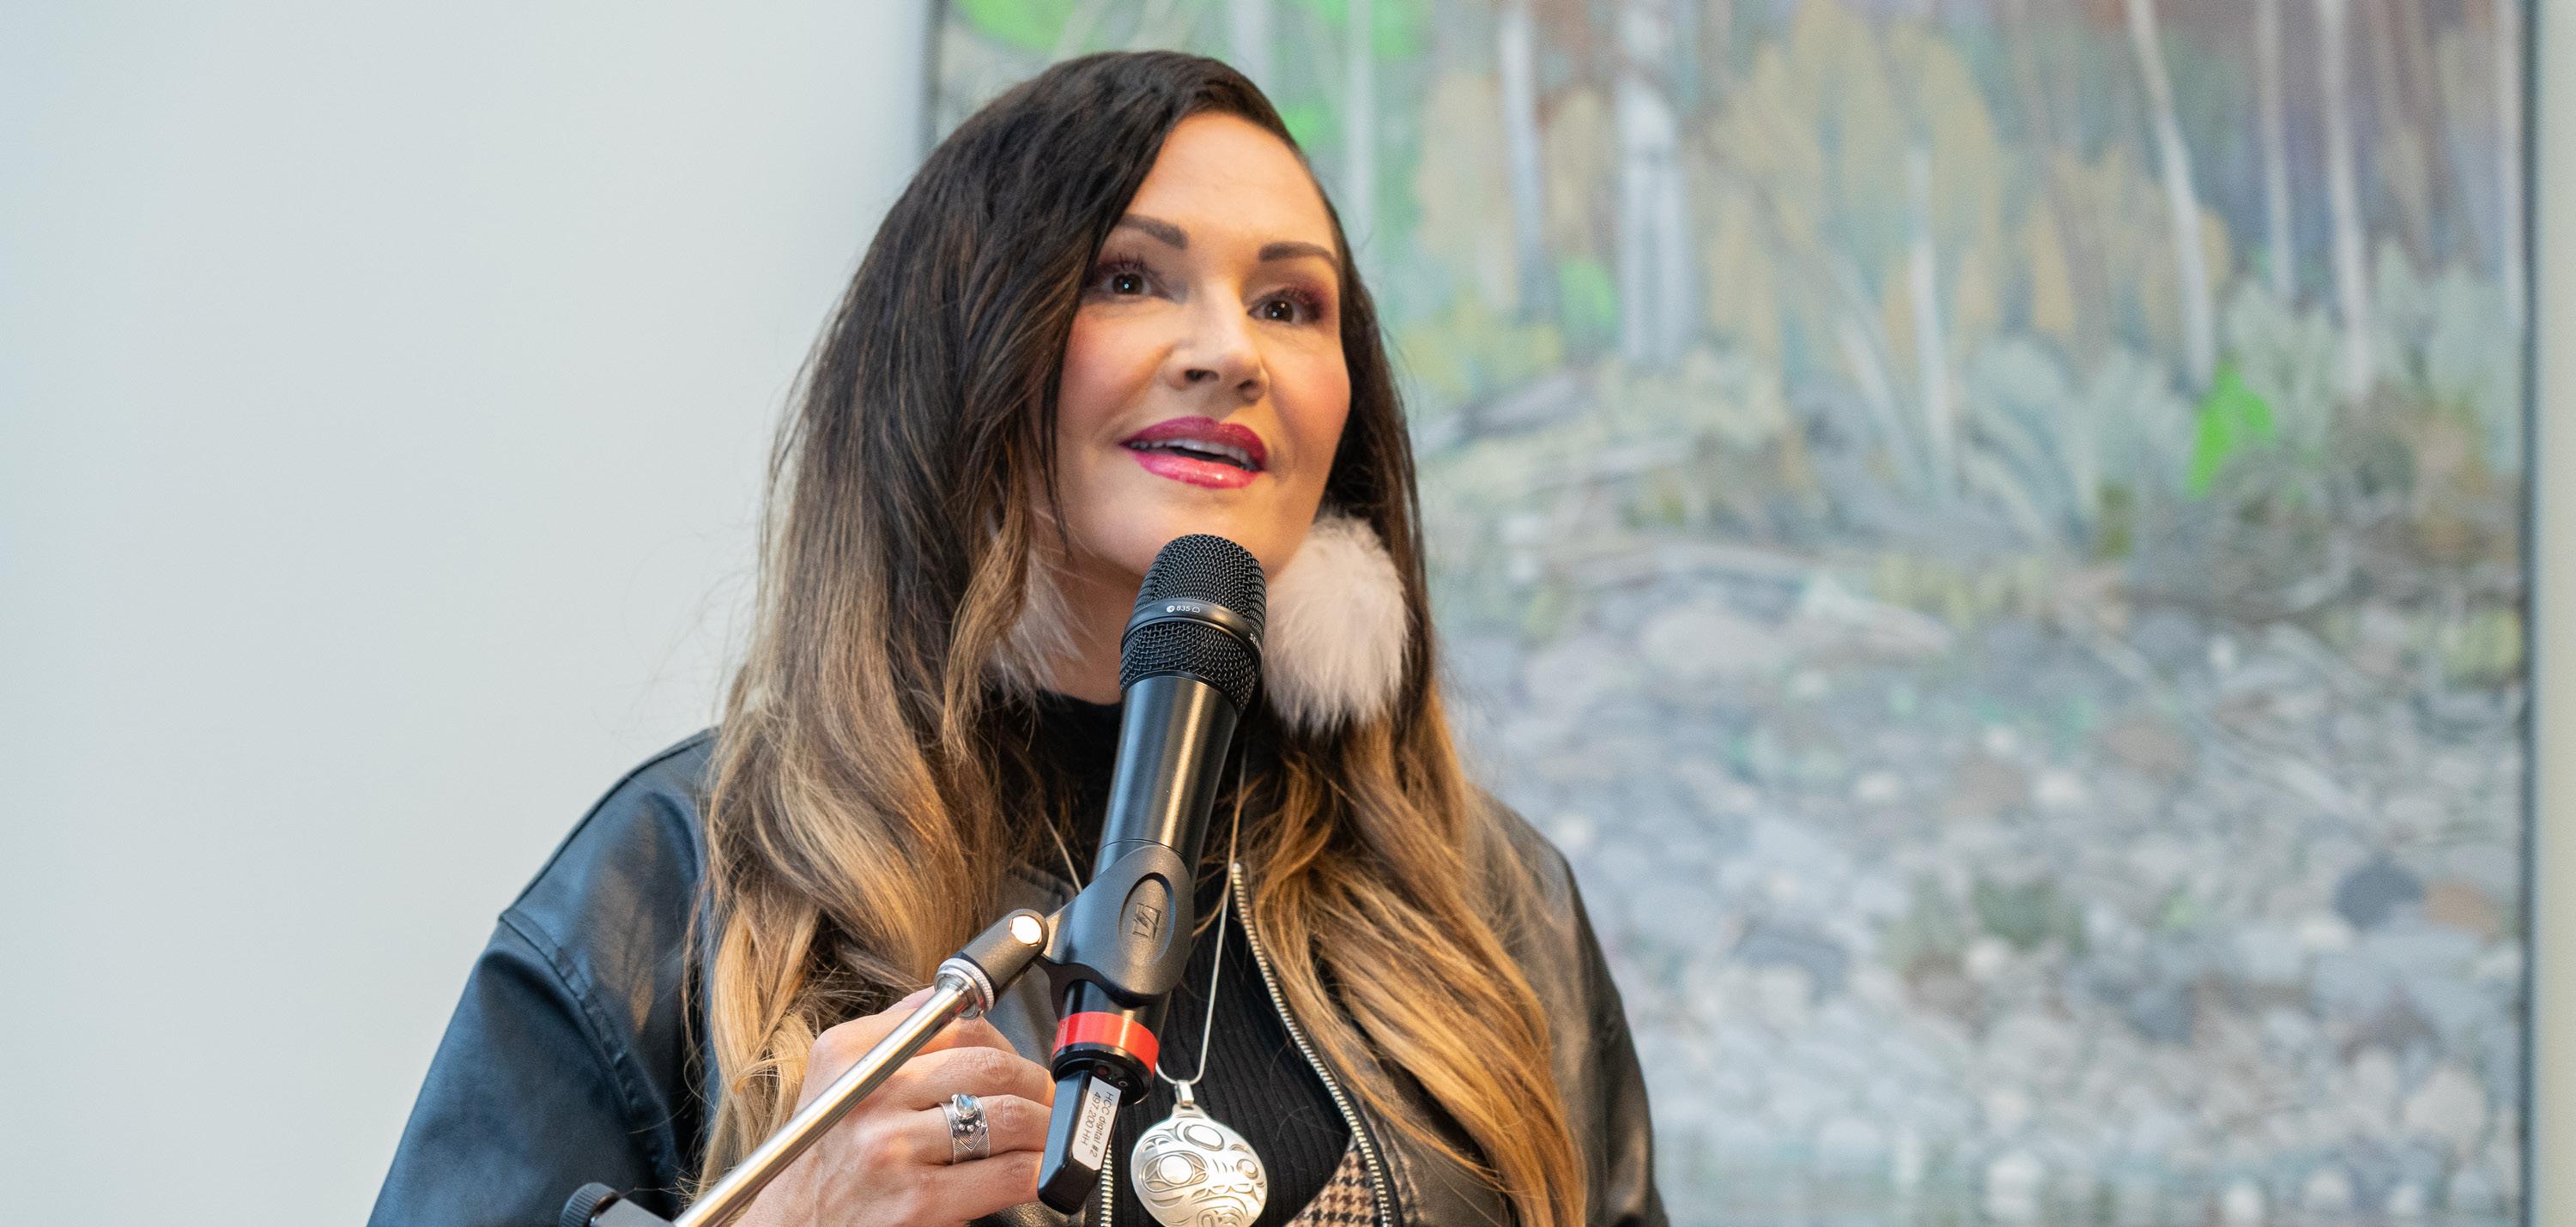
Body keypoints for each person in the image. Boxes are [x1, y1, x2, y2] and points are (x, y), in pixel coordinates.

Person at [368, 51, 1662, 1227]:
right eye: (1128, 278)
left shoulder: (1497, 906)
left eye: (1288, 304)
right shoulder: (674, 888)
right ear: (967, 349)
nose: (1230, 352)